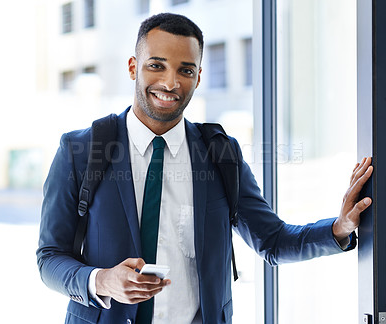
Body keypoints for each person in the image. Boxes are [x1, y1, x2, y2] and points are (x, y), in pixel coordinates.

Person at [37, 13, 373, 324]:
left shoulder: (220, 154)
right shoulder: (80, 152)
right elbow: (50, 257)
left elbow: (271, 241)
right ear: (132, 67)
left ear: (198, 77)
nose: (170, 83)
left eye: (185, 70)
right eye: (156, 66)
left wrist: (339, 228)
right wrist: (102, 280)